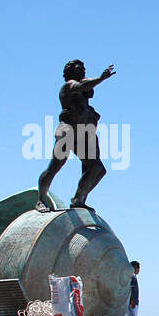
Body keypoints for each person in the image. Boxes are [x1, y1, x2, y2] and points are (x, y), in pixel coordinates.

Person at [38, 59, 117, 212]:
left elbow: (86, 86)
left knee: (97, 168)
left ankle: (78, 199)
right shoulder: (69, 86)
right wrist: (101, 79)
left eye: (83, 68)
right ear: (70, 72)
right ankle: (41, 199)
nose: (82, 70)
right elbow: (81, 85)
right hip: (67, 130)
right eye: (78, 68)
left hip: (82, 133)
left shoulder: (84, 91)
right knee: (55, 165)